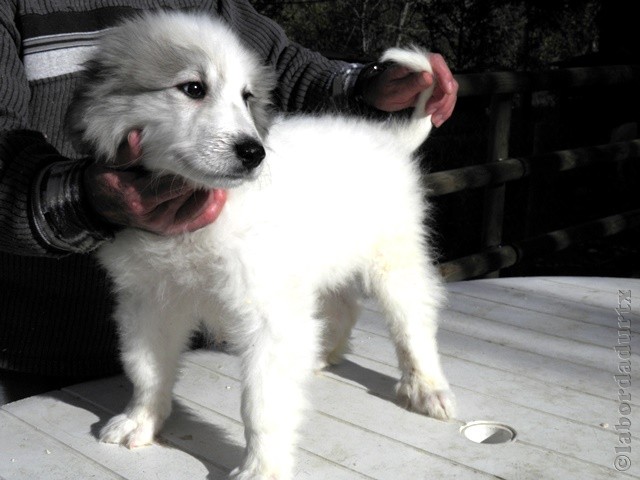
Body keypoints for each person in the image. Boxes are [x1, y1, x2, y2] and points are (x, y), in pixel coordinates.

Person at [0, 0, 458, 404]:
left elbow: (280, 64)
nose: (244, 132)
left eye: (242, 99)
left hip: (200, 361)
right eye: (195, 90)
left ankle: (420, 369)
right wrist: (78, 200)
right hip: (27, 351)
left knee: (390, 268)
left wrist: (363, 83)